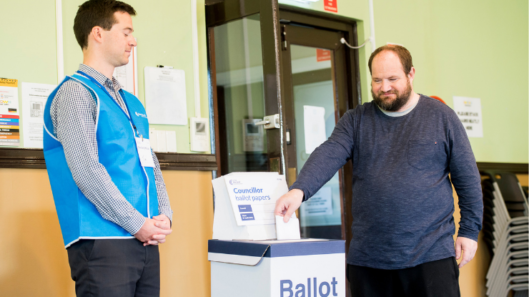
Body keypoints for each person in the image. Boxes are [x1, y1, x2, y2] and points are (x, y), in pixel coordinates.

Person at [275, 45, 483, 297]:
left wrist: (470, 232)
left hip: (431, 256)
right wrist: (299, 191)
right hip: (369, 261)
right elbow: (330, 153)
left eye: (393, 79)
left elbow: (468, 179)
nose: (384, 87)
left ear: (411, 74)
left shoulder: (441, 117)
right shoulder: (356, 120)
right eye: (377, 80)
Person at [43, 1, 173, 296]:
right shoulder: (75, 93)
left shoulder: (131, 103)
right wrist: (137, 223)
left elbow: (150, 164)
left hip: (144, 240)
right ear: (98, 33)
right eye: (126, 31)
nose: (133, 40)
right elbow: (87, 171)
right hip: (102, 242)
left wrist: (165, 213)